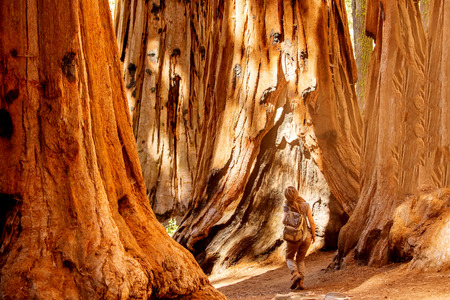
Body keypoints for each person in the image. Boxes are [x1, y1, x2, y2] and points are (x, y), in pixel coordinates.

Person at [283, 186, 316, 290]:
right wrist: (313, 235)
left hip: (293, 237)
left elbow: (283, 220)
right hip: (306, 235)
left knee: (289, 257)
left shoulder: (287, 206)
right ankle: (300, 281)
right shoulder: (305, 205)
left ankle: (295, 273)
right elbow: (311, 221)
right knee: (300, 259)